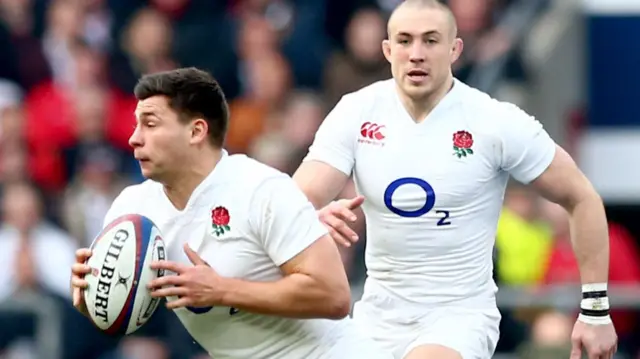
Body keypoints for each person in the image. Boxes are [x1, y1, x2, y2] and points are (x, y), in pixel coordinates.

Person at [292, 1, 618, 359]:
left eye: (430, 41)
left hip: (459, 317)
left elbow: (581, 196)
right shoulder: (356, 112)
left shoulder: (495, 121)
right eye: (404, 41)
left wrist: (595, 310)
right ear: (388, 50)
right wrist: (308, 215)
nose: (416, 54)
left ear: (455, 49)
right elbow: (300, 195)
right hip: (377, 317)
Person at [69, 67, 393, 359]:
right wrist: (91, 296)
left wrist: (222, 290)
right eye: (136, 124)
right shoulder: (131, 208)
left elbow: (334, 297)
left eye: (150, 124)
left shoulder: (260, 189)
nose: (134, 138)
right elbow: (115, 313)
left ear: (196, 131)